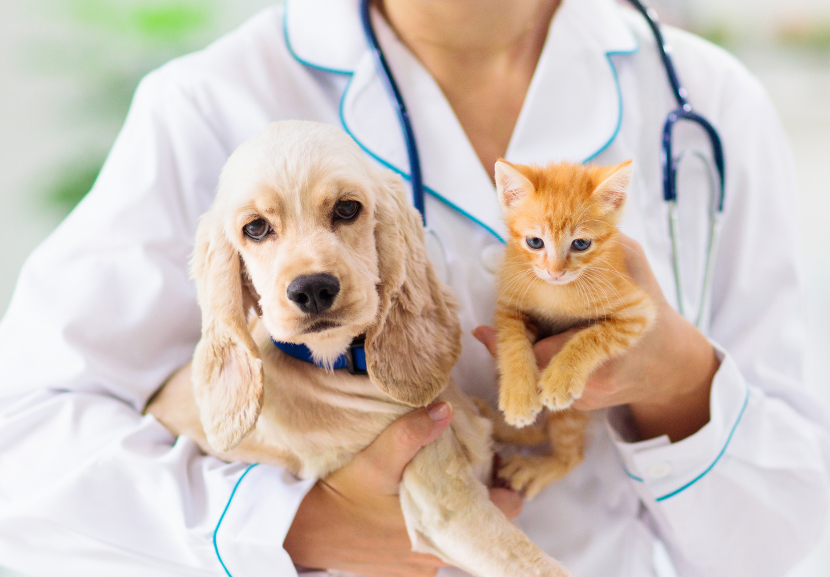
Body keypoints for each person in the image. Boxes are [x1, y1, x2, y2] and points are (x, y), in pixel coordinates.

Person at [0, 0, 827, 575]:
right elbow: (25, 454)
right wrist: (293, 526)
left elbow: (780, 542)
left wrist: (679, 378)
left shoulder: (706, 103)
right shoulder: (209, 103)